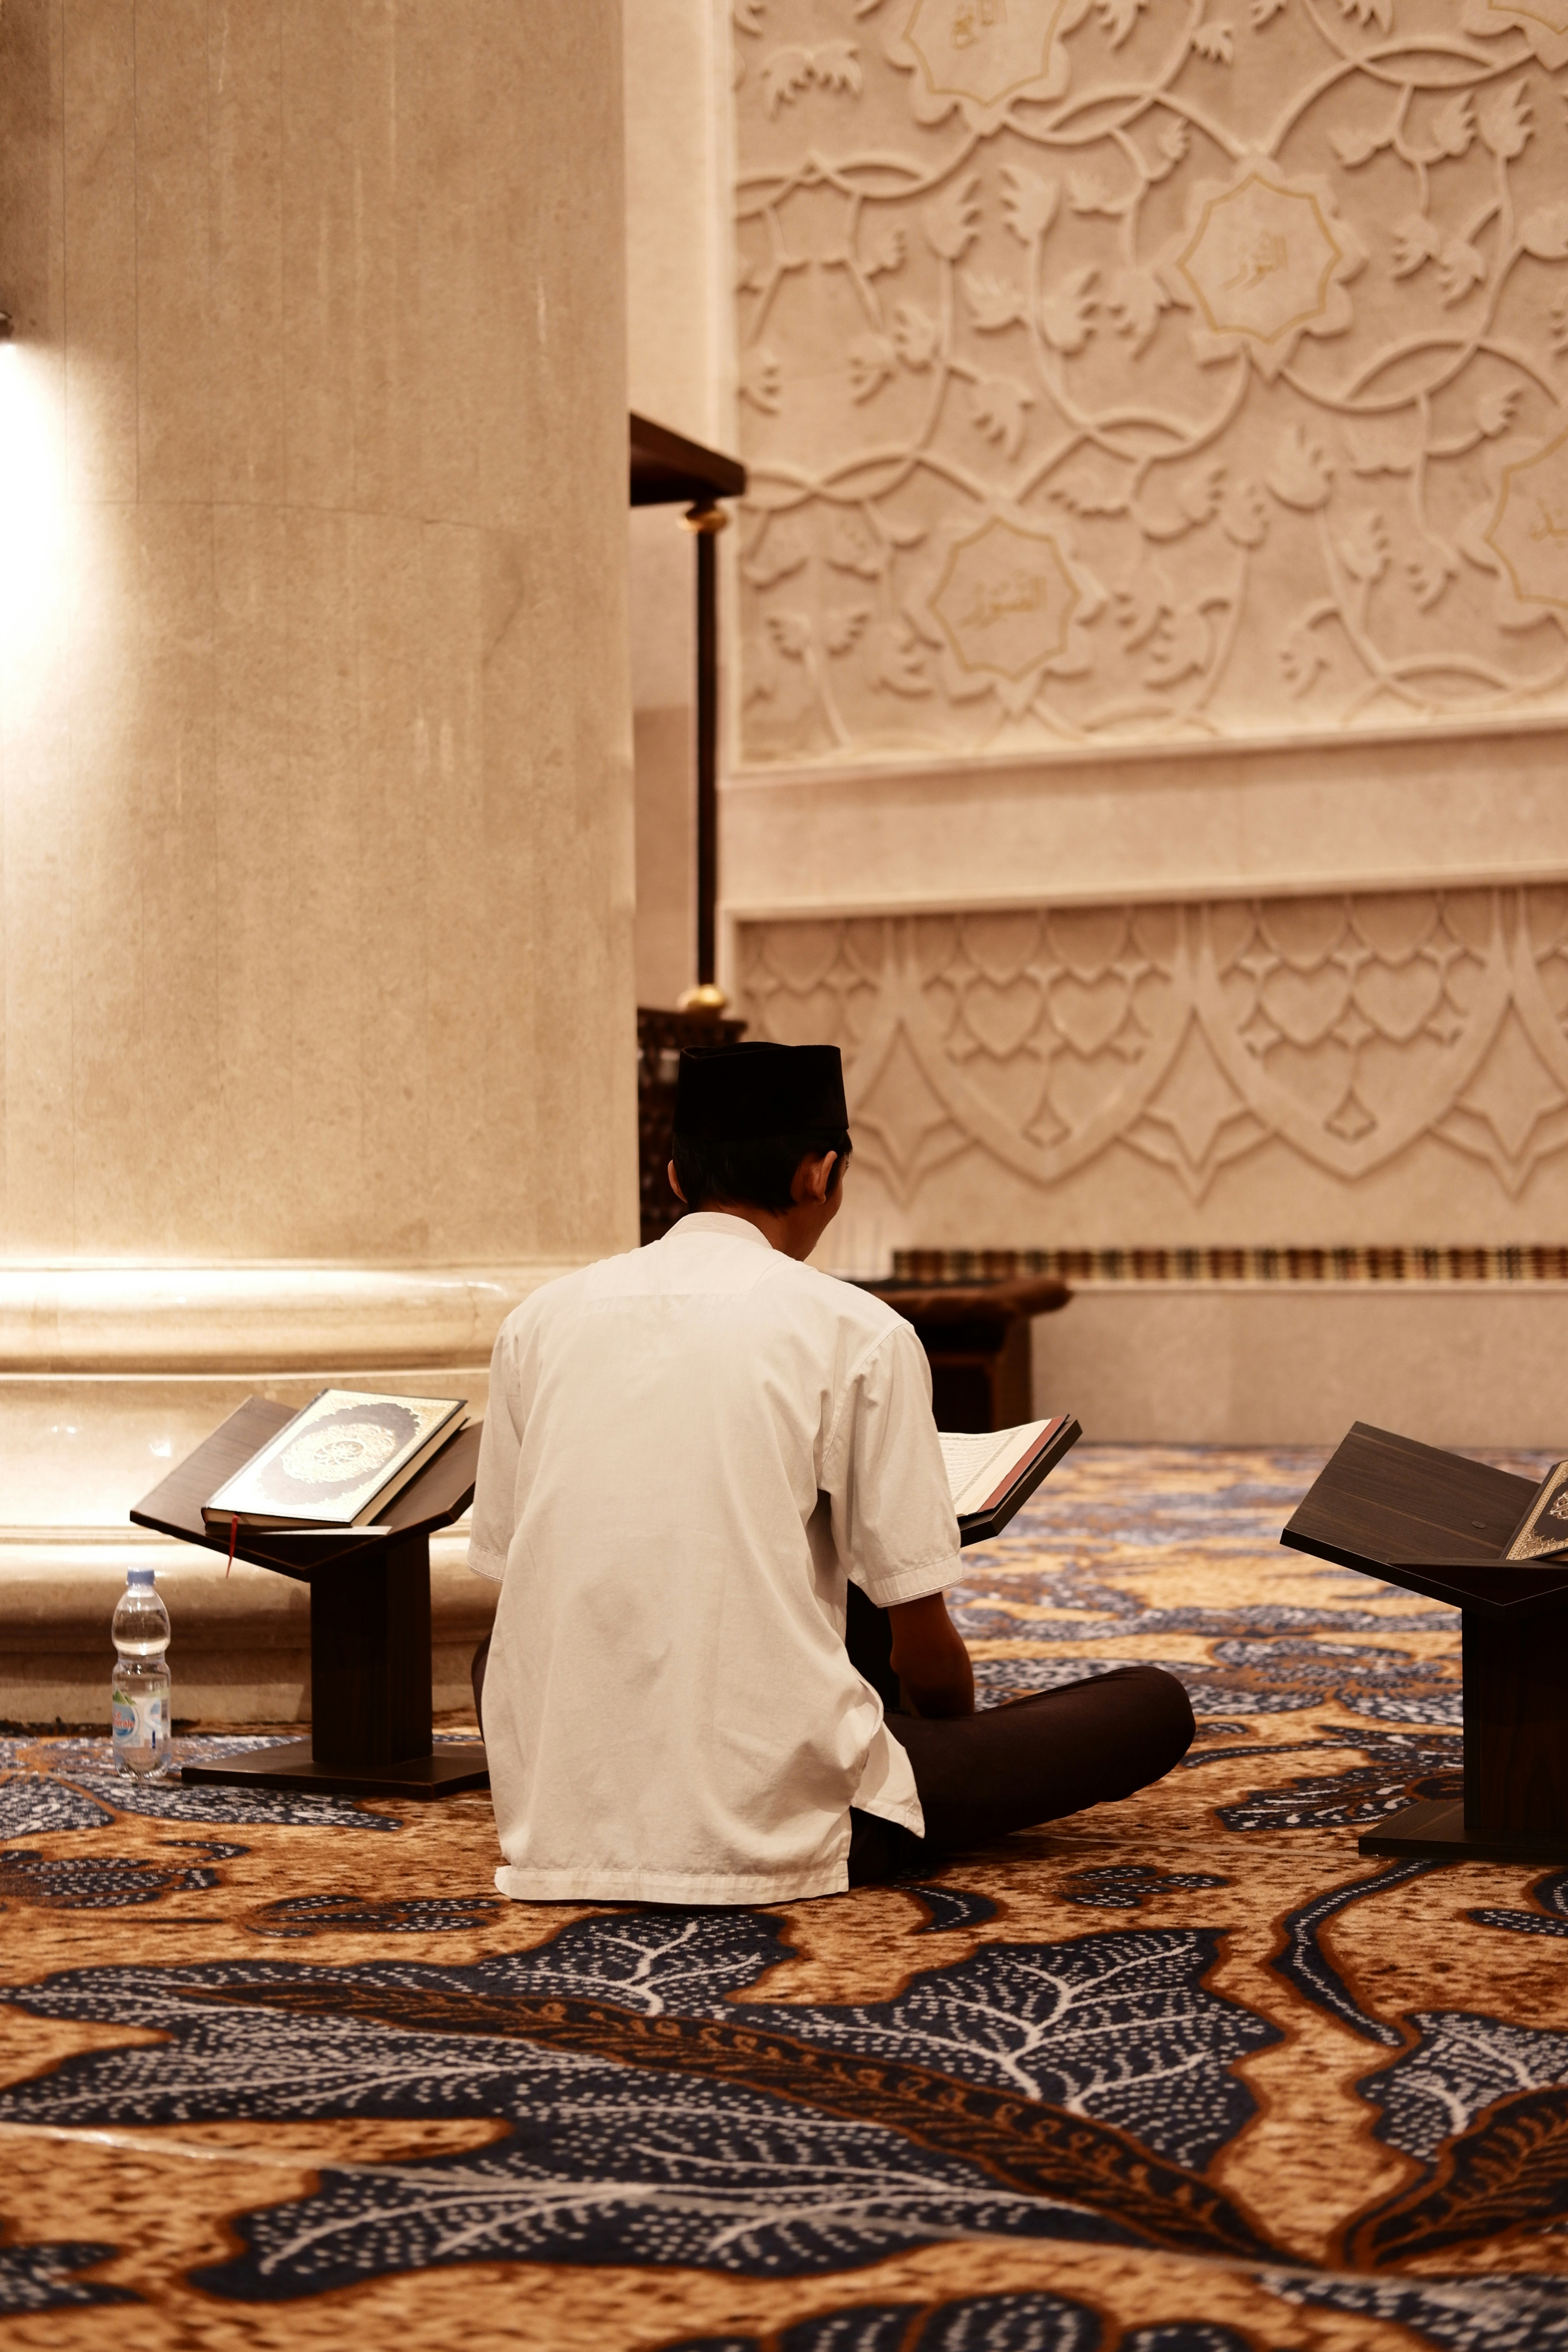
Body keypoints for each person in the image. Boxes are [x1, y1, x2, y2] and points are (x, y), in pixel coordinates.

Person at [467, 1040, 1192, 1904]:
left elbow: (512, 1586)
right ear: (820, 1174)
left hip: (562, 1812)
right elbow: (924, 1654)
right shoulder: (856, 1329)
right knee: (1150, 1705)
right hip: (779, 1829)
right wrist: (946, 1745)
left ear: (673, 1178)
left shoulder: (538, 1323)